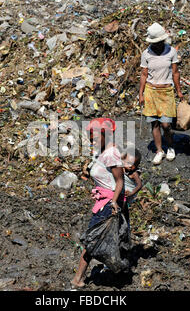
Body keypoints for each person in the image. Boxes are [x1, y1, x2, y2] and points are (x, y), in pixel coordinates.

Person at [71, 118, 125, 288]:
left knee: (92, 241)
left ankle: (78, 279)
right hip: (103, 201)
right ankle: (115, 270)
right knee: (99, 240)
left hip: (108, 204)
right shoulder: (102, 153)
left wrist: (114, 201)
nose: (92, 140)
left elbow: (120, 181)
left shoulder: (111, 154)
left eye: (95, 136)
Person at [139, 22, 185, 165]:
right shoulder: (146, 54)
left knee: (166, 124)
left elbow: (175, 73)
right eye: (155, 42)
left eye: (159, 42)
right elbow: (144, 75)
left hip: (166, 91)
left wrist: (179, 91)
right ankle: (159, 151)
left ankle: (170, 147)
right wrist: (140, 94)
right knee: (155, 124)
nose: (158, 45)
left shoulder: (171, 51)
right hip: (151, 91)